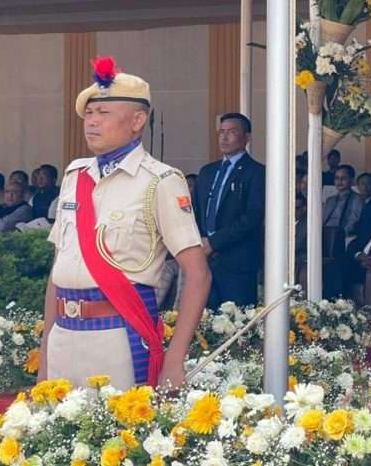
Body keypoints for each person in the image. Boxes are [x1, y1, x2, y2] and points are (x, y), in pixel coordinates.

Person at [38, 56, 210, 389]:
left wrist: (174, 360)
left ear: (137, 120)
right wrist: (45, 354)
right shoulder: (75, 176)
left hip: (116, 336)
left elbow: (198, 273)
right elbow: (58, 269)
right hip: (63, 335)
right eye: (88, 113)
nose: (91, 122)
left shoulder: (159, 181)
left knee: (117, 437)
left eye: (103, 113)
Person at [194, 112, 265, 307]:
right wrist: (199, 242)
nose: (224, 137)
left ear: (247, 138)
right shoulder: (207, 171)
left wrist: (214, 242)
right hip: (204, 260)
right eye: (221, 132)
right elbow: (195, 211)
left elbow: (252, 217)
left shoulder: (257, 172)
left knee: (236, 323)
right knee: (204, 324)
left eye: (232, 132)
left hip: (237, 262)